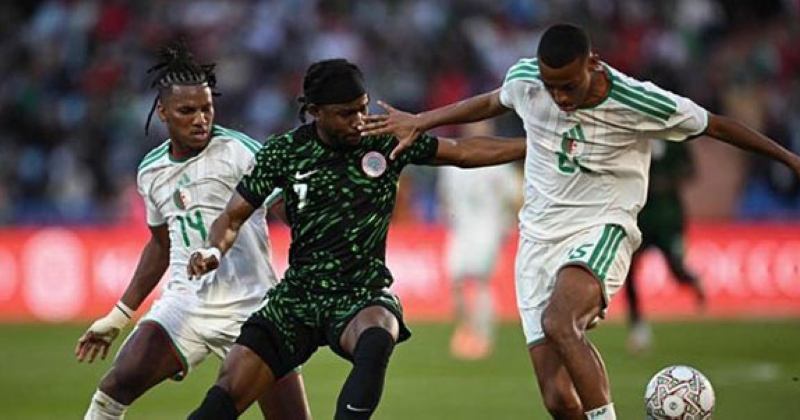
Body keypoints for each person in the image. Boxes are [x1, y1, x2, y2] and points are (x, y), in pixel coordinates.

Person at [359, 22, 800, 420]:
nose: (561, 98)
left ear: (593, 63)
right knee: (557, 399)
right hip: (537, 240)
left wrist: (790, 159)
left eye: (569, 85)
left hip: (602, 226)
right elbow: (494, 101)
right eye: (552, 87)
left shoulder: (638, 100)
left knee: (560, 320)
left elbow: (717, 125)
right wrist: (423, 120)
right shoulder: (527, 80)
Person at [185, 58, 526, 420]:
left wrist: (535, 146)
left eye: (362, 108)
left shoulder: (384, 140)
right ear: (315, 111)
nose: (359, 120)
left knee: (378, 334)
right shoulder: (284, 153)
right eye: (346, 113)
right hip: (298, 298)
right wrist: (213, 250)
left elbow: (462, 152)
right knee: (228, 390)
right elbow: (232, 217)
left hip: (361, 294)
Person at [74, 42, 311, 420]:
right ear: (163, 112)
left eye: (207, 109)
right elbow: (159, 246)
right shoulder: (151, 171)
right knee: (118, 383)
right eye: (187, 111)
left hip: (254, 308)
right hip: (187, 303)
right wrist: (119, 316)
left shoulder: (240, 151)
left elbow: (288, 210)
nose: (200, 119)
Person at [438, 122, 520, 360]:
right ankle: (467, 327)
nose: (476, 130)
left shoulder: (499, 164)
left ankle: (483, 336)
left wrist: (507, 224)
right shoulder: (451, 165)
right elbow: (445, 197)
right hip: (460, 228)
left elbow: (515, 196)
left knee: (481, 281)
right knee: (456, 280)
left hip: (488, 228)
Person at [625, 139, 705, 353]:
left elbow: (690, 170)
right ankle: (638, 326)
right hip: (640, 218)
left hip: (669, 219)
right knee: (629, 271)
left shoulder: (675, 139)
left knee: (676, 269)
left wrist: (668, 180)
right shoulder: (636, 138)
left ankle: (692, 280)